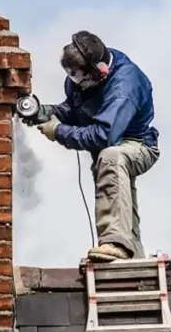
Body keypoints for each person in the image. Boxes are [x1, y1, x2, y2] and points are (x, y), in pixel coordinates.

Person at [35, 30, 160, 262]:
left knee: (112, 157)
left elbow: (105, 136)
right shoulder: (82, 79)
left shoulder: (125, 85)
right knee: (119, 199)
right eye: (72, 77)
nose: (76, 84)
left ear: (100, 72)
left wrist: (58, 131)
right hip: (110, 150)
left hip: (137, 144)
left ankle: (114, 244)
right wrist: (48, 113)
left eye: (81, 78)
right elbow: (75, 109)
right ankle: (132, 256)